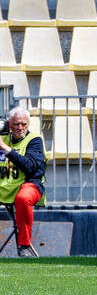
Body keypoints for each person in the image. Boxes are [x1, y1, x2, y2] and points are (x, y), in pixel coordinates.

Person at [0, 106, 46, 257]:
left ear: (28, 124)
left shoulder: (34, 140)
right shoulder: (3, 139)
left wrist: (6, 149)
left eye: (23, 124)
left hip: (30, 184)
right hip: (5, 184)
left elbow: (30, 166)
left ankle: (24, 245)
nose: (20, 127)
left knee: (23, 198)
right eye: (16, 124)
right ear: (9, 125)